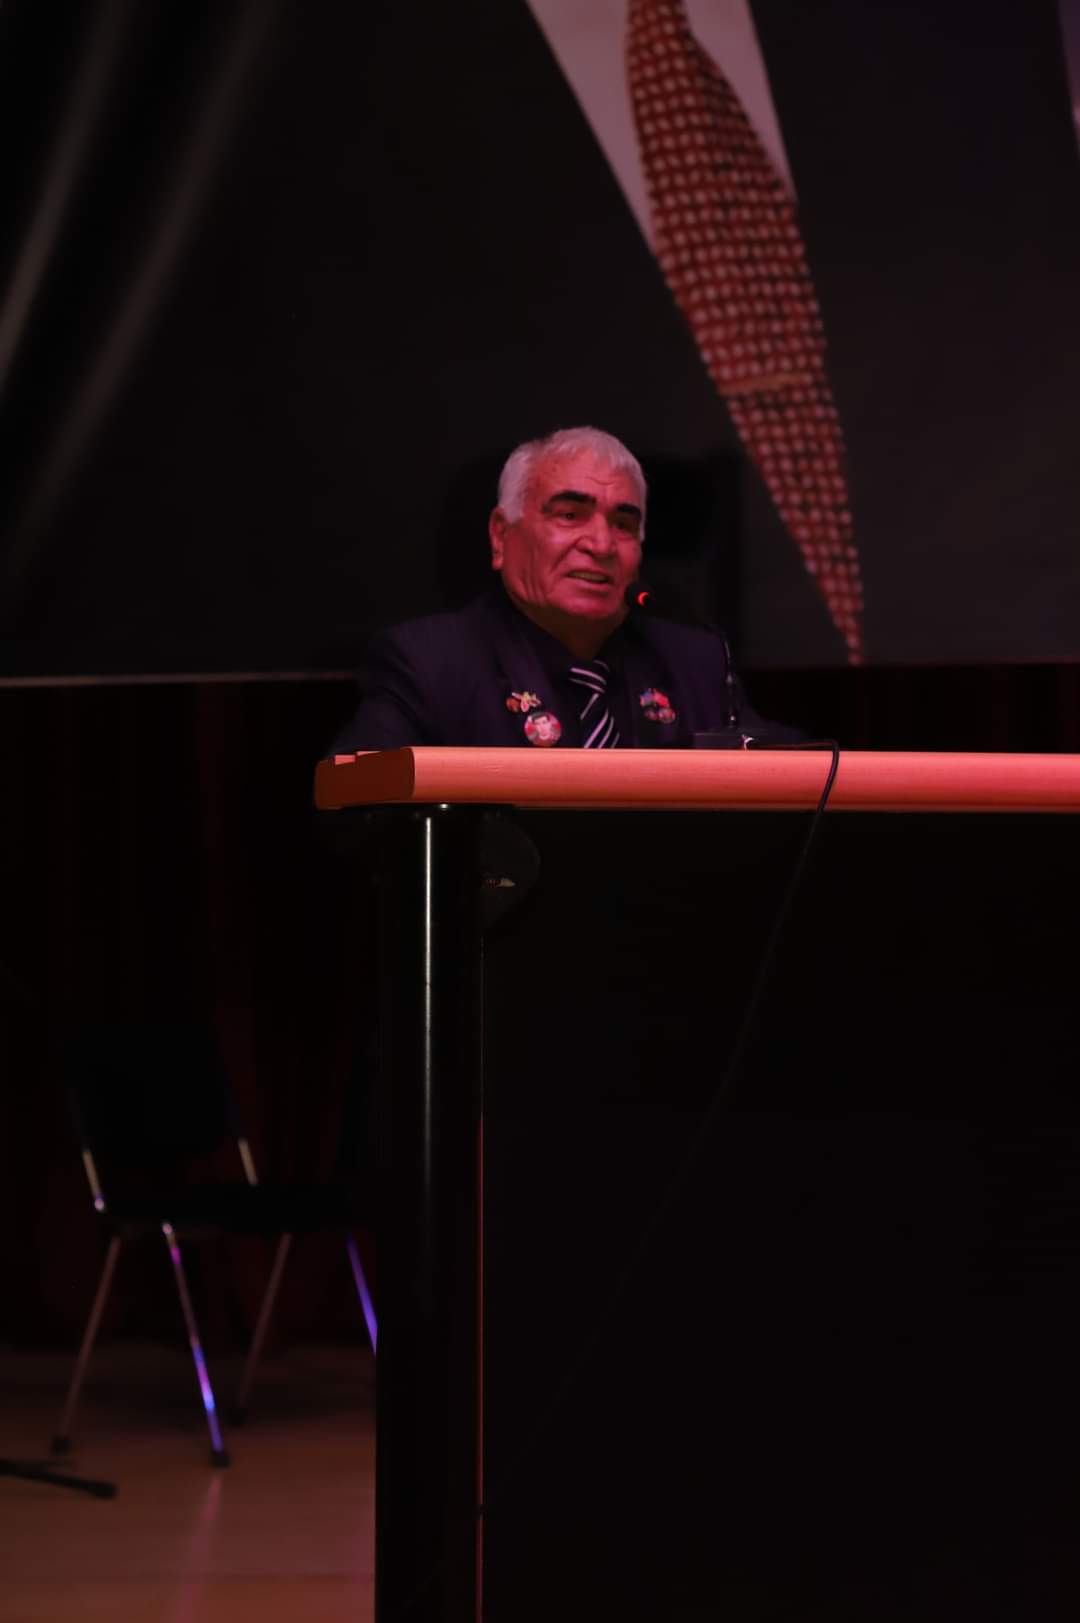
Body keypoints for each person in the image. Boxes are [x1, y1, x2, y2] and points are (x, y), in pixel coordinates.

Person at [331, 425, 792, 754]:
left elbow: (789, 778)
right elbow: (357, 814)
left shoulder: (696, 661)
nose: (601, 544)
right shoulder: (431, 662)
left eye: (623, 524)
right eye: (570, 515)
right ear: (500, 536)